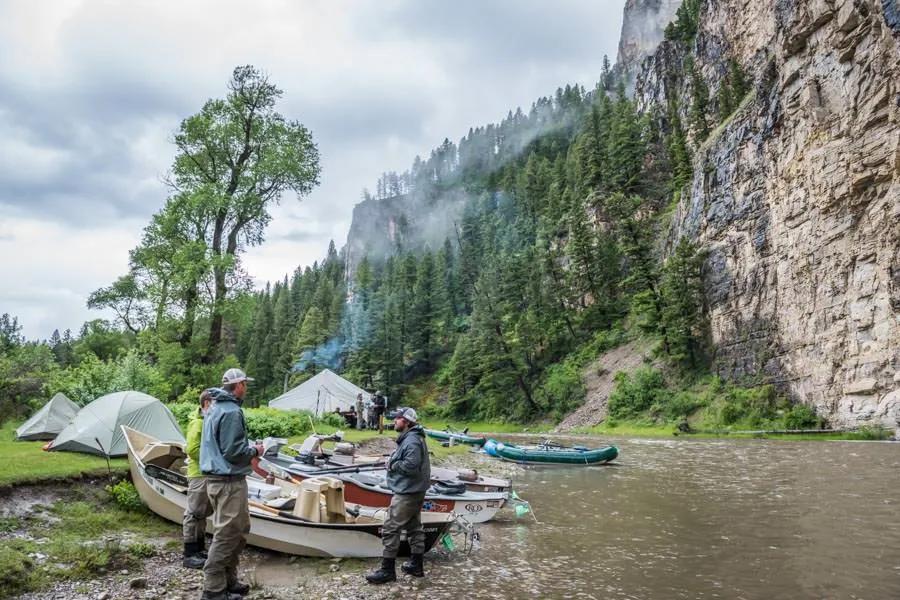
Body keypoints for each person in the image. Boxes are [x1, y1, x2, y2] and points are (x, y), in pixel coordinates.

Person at [199, 369, 265, 600]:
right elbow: (233, 452)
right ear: (239, 385)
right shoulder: (231, 411)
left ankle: (229, 579)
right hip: (228, 482)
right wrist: (255, 450)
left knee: (239, 530)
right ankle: (213, 590)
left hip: (221, 481)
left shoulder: (214, 407)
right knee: (228, 535)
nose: (246, 388)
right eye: (245, 384)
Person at [365, 407, 431, 584]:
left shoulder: (412, 441)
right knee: (414, 527)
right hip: (415, 490)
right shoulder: (413, 438)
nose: (394, 421)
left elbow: (410, 465)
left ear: (407, 422)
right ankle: (416, 566)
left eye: (398, 418)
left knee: (390, 528)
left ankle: (387, 571)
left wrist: (393, 465)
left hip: (407, 492)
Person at [182, 389, 214, 569]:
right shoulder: (198, 424)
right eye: (215, 403)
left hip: (206, 473)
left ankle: (199, 548)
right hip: (199, 473)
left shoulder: (207, 421)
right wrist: (212, 460)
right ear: (207, 404)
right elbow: (192, 450)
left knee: (202, 513)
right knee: (193, 513)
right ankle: (189, 553)